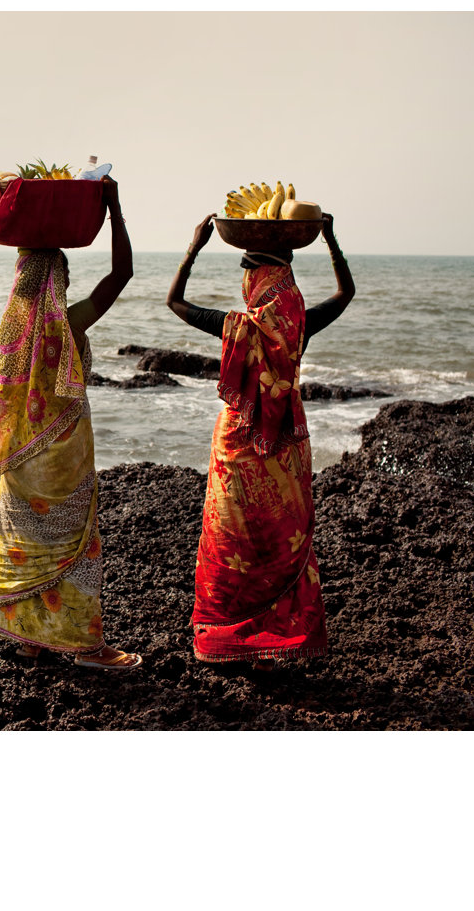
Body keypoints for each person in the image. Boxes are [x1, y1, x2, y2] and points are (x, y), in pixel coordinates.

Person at [0, 179, 141, 670]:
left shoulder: (7, 335)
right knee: (73, 549)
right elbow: (122, 273)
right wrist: (113, 209)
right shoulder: (70, 324)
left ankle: (31, 641)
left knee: (24, 543)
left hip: (22, 460)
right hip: (66, 460)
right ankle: (85, 647)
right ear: (59, 283)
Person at [166, 213, 355, 663]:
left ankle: (225, 637)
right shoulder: (299, 325)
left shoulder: (236, 327)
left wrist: (194, 248)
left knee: (229, 541)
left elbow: (175, 301)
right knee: (281, 542)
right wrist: (331, 240)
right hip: (286, 446)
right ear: (285, 282)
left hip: (236, 446)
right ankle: (280, 637)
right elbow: (345, 293)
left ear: (254, 281)